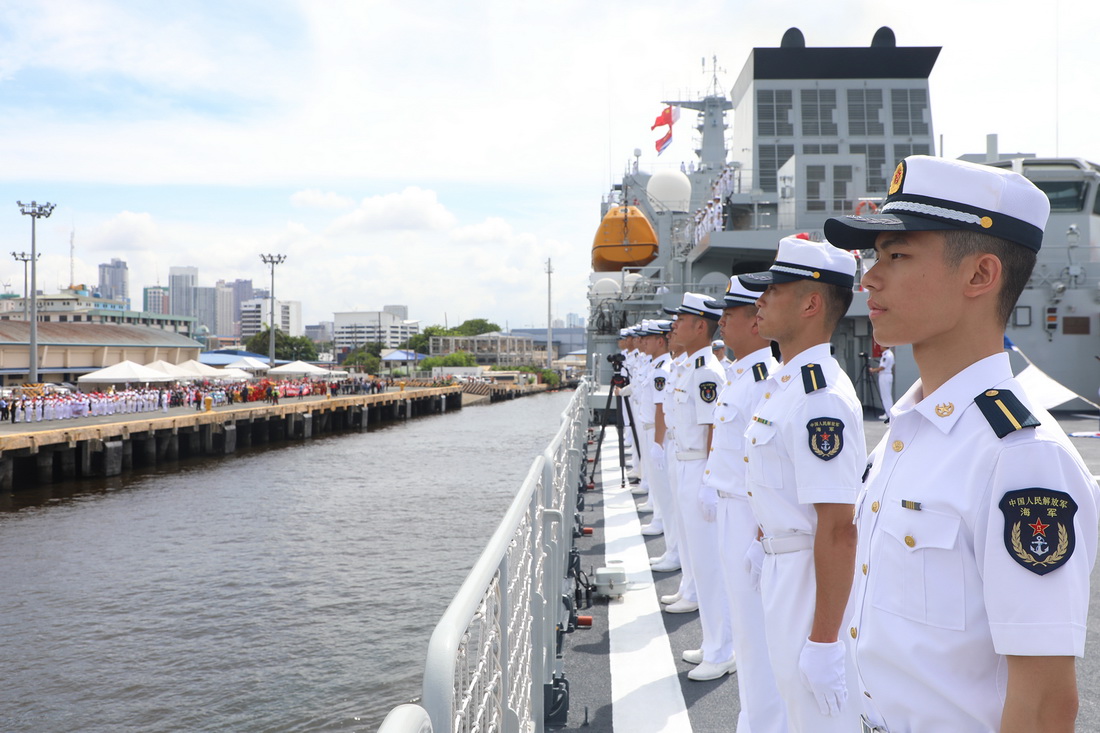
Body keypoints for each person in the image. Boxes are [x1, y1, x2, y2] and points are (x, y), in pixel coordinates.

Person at [824, 155, 1099, 733]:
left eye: (897, 256)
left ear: (979, 276)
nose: (869, 278)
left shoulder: (1020, 457)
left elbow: (1045, 705)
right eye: (875, 256)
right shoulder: (909, 430)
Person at [738, 235, 866, 732]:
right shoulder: (787, 385)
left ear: (811, 303)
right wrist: (761, 540)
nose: (760, 300)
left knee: (819, 717)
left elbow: (838, 528)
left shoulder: (819, 398)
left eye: (773, 289)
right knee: (795, 708)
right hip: (784, 566)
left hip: (810, 577)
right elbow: (780, 484)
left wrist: (825, 640)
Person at [702, 277, 788, 732]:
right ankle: (752, 718)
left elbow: (765, 465)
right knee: (745, 624)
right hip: (730, 507)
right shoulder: (740, 374)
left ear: (755, 323)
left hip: (749, 514)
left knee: (755, 632)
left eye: (729, 314)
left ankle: (764, 722)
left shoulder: (761, 380)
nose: (721, 322)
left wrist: (759, 531)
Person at [661, 292, 736, 681]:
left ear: (700, 326)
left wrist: (709, 480)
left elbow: (711, 429)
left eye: (682, 319)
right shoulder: (690, 366)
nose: (674, 325)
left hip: (699, 468)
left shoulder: (707, 371)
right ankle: (712, 643)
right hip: (685, 462)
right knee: (698, 558)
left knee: (709, 562)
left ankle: (723, 650)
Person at [868, 346, 894, 418]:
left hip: (884, 376)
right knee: (888, 395)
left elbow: (883, 367)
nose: (880, 347)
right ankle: (889, 413)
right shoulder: (890, 354)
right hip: (888, 375)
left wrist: (873, 370)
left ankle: (888, 414)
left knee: (885, 396)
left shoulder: (886, 355)